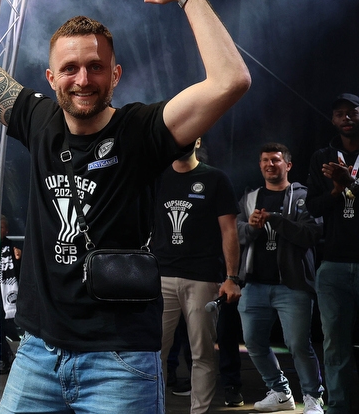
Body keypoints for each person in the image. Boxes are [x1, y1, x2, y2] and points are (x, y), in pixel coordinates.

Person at [0, 0, 250, 413]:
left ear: (115, 74)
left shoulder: (143, 130)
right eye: (69, 69)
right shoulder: (37, 117)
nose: (83, 79)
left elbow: (231, 79)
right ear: (51, 78)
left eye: (95, 67)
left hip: (120, 359)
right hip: (37, 353)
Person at [152, 138, 241, 414]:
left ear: (198, 140)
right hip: (161, 277)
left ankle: (199, 412)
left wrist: (232, 277)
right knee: (153, 354)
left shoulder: (214, 178)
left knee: (202, 353)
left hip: (202, 278)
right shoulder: (156, 177)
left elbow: (229, 231)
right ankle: (152, 409)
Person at [236, 143, 323, 414]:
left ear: (288, 165)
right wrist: (249, 227)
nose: (269, 165)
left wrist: (277, 220)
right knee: (253, 342)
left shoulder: (305, 196)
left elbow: (312, 234)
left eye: (275, 160)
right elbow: (235, 234)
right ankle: (279, 392)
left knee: (298, 344)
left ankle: (312, 397)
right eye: (264, 160)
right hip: (254, 284)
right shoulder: (249, 198)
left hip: (293, 285)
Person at [305, 93, 359, 414]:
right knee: (334, 344)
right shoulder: (322, 156)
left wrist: (349, 179)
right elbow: (312, 207)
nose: (345, 118)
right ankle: (339, 408)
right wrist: (337, 191)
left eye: (351, 112)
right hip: (334, 263)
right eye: (339, 113)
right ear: (333, 120)